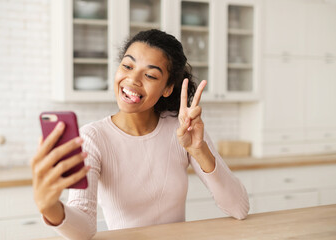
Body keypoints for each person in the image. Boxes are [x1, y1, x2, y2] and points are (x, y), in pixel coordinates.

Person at [31, 29, 249, 240]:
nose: (133, 79)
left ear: (167, 88)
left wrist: (199, 151)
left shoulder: (183, 129)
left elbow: (239, 208)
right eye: (127, 66)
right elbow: (85, 229)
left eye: (150, 75)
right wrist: (51, 208)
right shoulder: (92, 138)